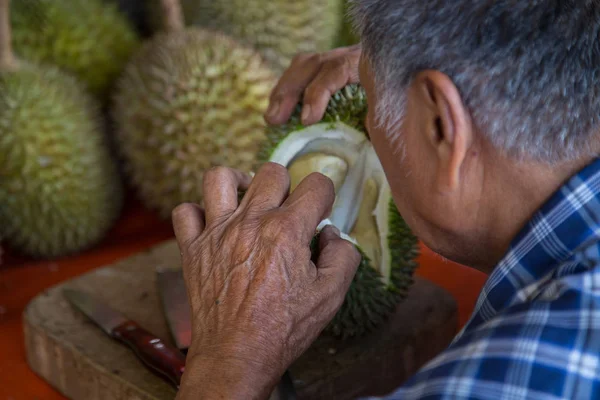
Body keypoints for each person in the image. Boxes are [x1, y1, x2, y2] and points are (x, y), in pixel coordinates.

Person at [172, 1, 600, 399]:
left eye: (371, 110)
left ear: (440, 128)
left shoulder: (499, 383)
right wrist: (404, 65)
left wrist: (229, 361)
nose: (369, 123)